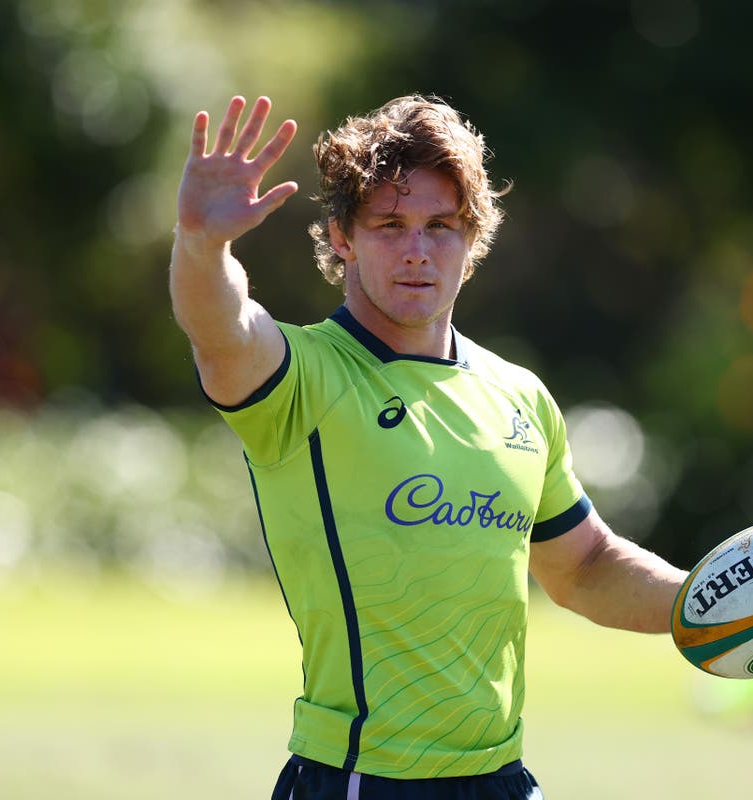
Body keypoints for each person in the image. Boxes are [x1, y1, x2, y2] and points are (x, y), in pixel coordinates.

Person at [169, 94, 688, 799]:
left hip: (501, 780)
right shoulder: (302, 376)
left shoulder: (520, 396)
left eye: (440, 226)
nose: (417, 249)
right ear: (342, 237)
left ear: (473, 240)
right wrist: (202, 244)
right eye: (390, 224)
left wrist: (703, 601)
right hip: (362, 778)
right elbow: (219, 327)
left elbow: (585, 566)